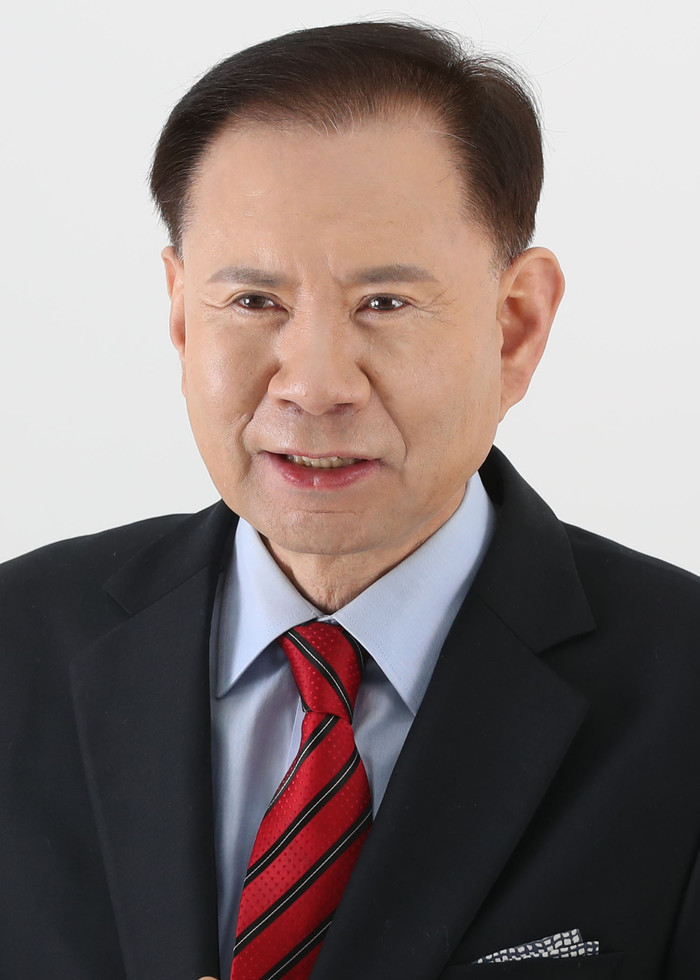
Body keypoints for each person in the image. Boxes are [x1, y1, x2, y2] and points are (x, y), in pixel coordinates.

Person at [1, 18, 698, 980]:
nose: (315, 384)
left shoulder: (682, 690)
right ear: (180, 313)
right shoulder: (16, 644)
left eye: (385, 303)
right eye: (254, 302)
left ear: (515, 326)